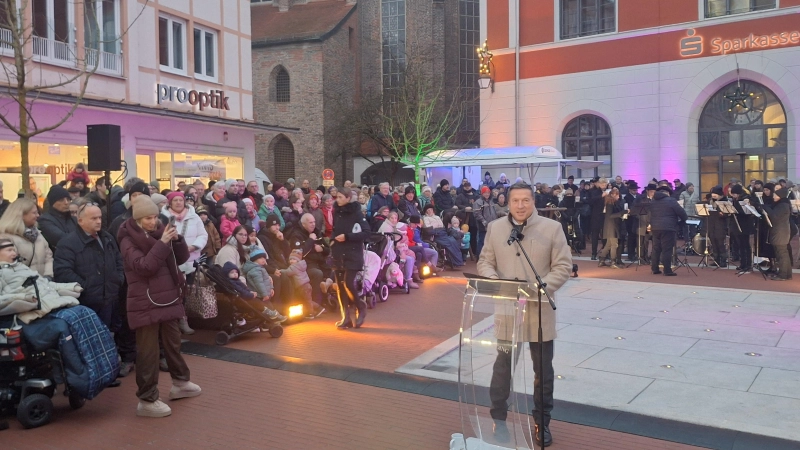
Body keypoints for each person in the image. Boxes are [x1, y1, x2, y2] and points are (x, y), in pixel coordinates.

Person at [477, 182, 572, 447]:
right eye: (515, 200)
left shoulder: (552, 229)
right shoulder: (495, 228)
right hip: (508, 310)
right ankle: (499, 418)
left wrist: (541, 289)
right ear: (508, 202)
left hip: (539, 311)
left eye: (526, 200)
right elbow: (485, 261)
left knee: (543, 371)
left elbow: (563, 266)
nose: (520, 206)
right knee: (502, 368)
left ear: (533, 202)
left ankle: (542, 422)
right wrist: (495, 282)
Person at [117, 196, 200, 418]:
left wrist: (177, 239)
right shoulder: (127, 239)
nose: (153, 222)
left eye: (154, 217)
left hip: (167, 296)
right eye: (147, 218)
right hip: (145, 301)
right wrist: (163, 242)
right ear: (137, 219)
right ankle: (147, 399)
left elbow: (180, 257)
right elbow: (145, 267)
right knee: (148, 352)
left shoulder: (160, 229)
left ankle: (180, 383)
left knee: (173, 342)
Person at [53, 203, 124, 327]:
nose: (98, 221)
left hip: (111, 299)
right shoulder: (68, 243)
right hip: (86, 303)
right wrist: (86, 287)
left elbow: (119, 260)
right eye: (93, 218)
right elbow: (63, 272)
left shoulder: (107, 238)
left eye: (100, 218)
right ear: (80, 221)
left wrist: (118, 279)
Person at [330, 187, 369, 329]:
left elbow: (365, 233)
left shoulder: (356, 213)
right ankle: (345, 317)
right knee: (340, 286)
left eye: (341, 197)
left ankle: (360, 307)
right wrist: (332, 240)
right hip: (339, 253)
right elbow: (335, 230)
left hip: (352, 253)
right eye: (337, 197)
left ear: (348, 198)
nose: (338, 200)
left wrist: (347, 237)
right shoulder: (336, 213)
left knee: (348, 283)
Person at [0, 198, 53, 278]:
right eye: (34, 213)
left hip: (42, 283)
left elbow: (48, 256)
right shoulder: (6, 237)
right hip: (21, 285)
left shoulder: (38, 234)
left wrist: (48, 275)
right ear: (22, 215)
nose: (38, 215)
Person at [649, 186, 688, 276]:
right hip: (668, 227)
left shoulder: (653, 201)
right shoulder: (671, 200)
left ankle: (654, 268)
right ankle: (667, 270)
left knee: (656, 248)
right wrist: (682, 221)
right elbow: (682, 213)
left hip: (655, 227)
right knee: (667, 249)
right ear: (667, 193)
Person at [238, 250, 286, 321]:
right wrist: (264, 294)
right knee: (267, 308)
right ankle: (270, 321)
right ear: (254, 260)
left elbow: (267, 280)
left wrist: (271, 288)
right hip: (260, 295)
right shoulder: (255, 270)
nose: (264, 260)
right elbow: (259, 283)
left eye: (264, 258)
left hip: (264, 293)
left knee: (270, 307)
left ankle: (275, 319)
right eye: (261, 258)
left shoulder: (260, 268)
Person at [379, 211, 419, 288]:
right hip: (389, 251)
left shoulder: (392, 226)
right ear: (388, 218)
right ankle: (408, 279)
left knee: (414, 254)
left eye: (395, 218)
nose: (394, 220)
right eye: (392, 218)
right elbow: (389, 243)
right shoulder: (387, 227)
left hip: (394, 248)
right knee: (410, 259)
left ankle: (407, 275)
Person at [763, 187, 792, 281]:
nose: (773, 196)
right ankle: (787, 274)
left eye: (776, 195)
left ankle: (783, 275)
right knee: (783, 253)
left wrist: (765, 207)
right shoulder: (782, 204)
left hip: (780, 232)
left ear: (780, 196)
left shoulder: (783, 205)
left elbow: (774, 216)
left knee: (781, 254)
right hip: (780, 232)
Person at [38, 185, 78, 252]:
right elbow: (61, 239)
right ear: (53, 203)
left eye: (68, 199)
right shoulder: (45, 220)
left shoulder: (73, 219)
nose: (66, 203)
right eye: (61, 200)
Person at [596, 188, 626, 269]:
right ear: (613, 195)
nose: (618, 197)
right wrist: (622, 213)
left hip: (609, 227)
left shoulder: (610, 203)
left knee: (608, 245)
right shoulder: (610, 204)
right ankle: (613, 262)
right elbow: (610, 215)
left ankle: (602, 260)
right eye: (617, 195)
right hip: (612, 227)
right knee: (614, 245)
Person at [474, 186, 498, 257]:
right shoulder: (478, 202)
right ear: (482, 193)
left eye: (488, 193)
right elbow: (476, 214)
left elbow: (494, 212)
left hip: (492, 225)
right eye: (485, 193)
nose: (487, 194)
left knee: (490, 242)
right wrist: (483, 221)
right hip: (483, 225)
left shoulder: (491, 202)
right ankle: (479, 257)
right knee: (482, 241)